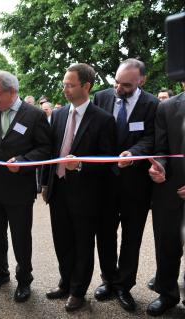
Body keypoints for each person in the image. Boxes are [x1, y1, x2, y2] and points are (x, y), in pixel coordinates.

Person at [41, 63, 116, 311]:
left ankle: (78, 291)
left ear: (86, 86)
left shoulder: (103, 120)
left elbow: (109, 162)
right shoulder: (60, 115)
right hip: (59, 189)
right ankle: (65, 282)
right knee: (62, 240)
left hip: (86, 194)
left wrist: (81, 166)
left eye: (70, 85)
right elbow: (52, 152)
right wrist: (44, 182)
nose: (65, 89)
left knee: (83, 243)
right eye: (64, 84)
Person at [0, 70, 51, 302]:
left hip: (19, 189)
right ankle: (0, 274)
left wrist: (23, 161)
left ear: (12, 91)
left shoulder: (34, 115)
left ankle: (24, 280)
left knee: (20, 238)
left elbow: (46, 148)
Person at [92, 58, 158, 311]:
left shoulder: (152, 104)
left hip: (135, 184)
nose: (119, 88)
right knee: (105, 234)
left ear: (142, 80)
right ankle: (108, 279)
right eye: (117, 82)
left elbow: (151, 137)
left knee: (132, 237)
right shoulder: (102, 97)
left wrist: (133, 153)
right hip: (105, 182)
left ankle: (124, 285)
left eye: (126, 85)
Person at [146, 82, 185, 316]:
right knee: (167, 246)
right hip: (170, 190)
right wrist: (158, 168)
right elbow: (161, 148)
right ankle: (167, 294)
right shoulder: (167, 107)